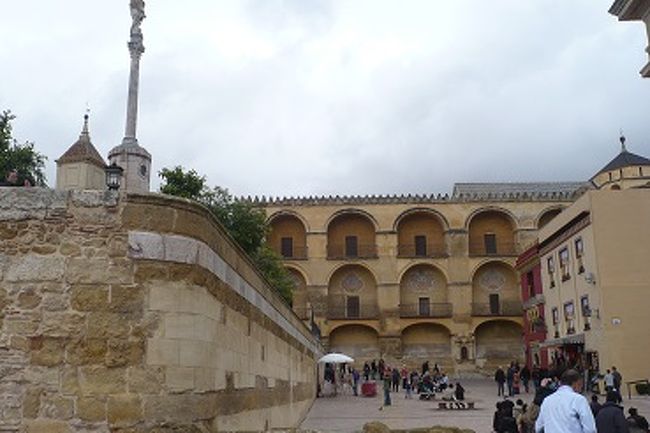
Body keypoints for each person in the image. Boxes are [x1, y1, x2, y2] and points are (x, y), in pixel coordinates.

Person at [535, 369, 596, 433]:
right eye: (581, 386)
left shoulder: (547, 400)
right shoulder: (579, 400)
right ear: (576, 384)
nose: (580, 390)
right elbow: (590, 429)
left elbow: (538, 427)